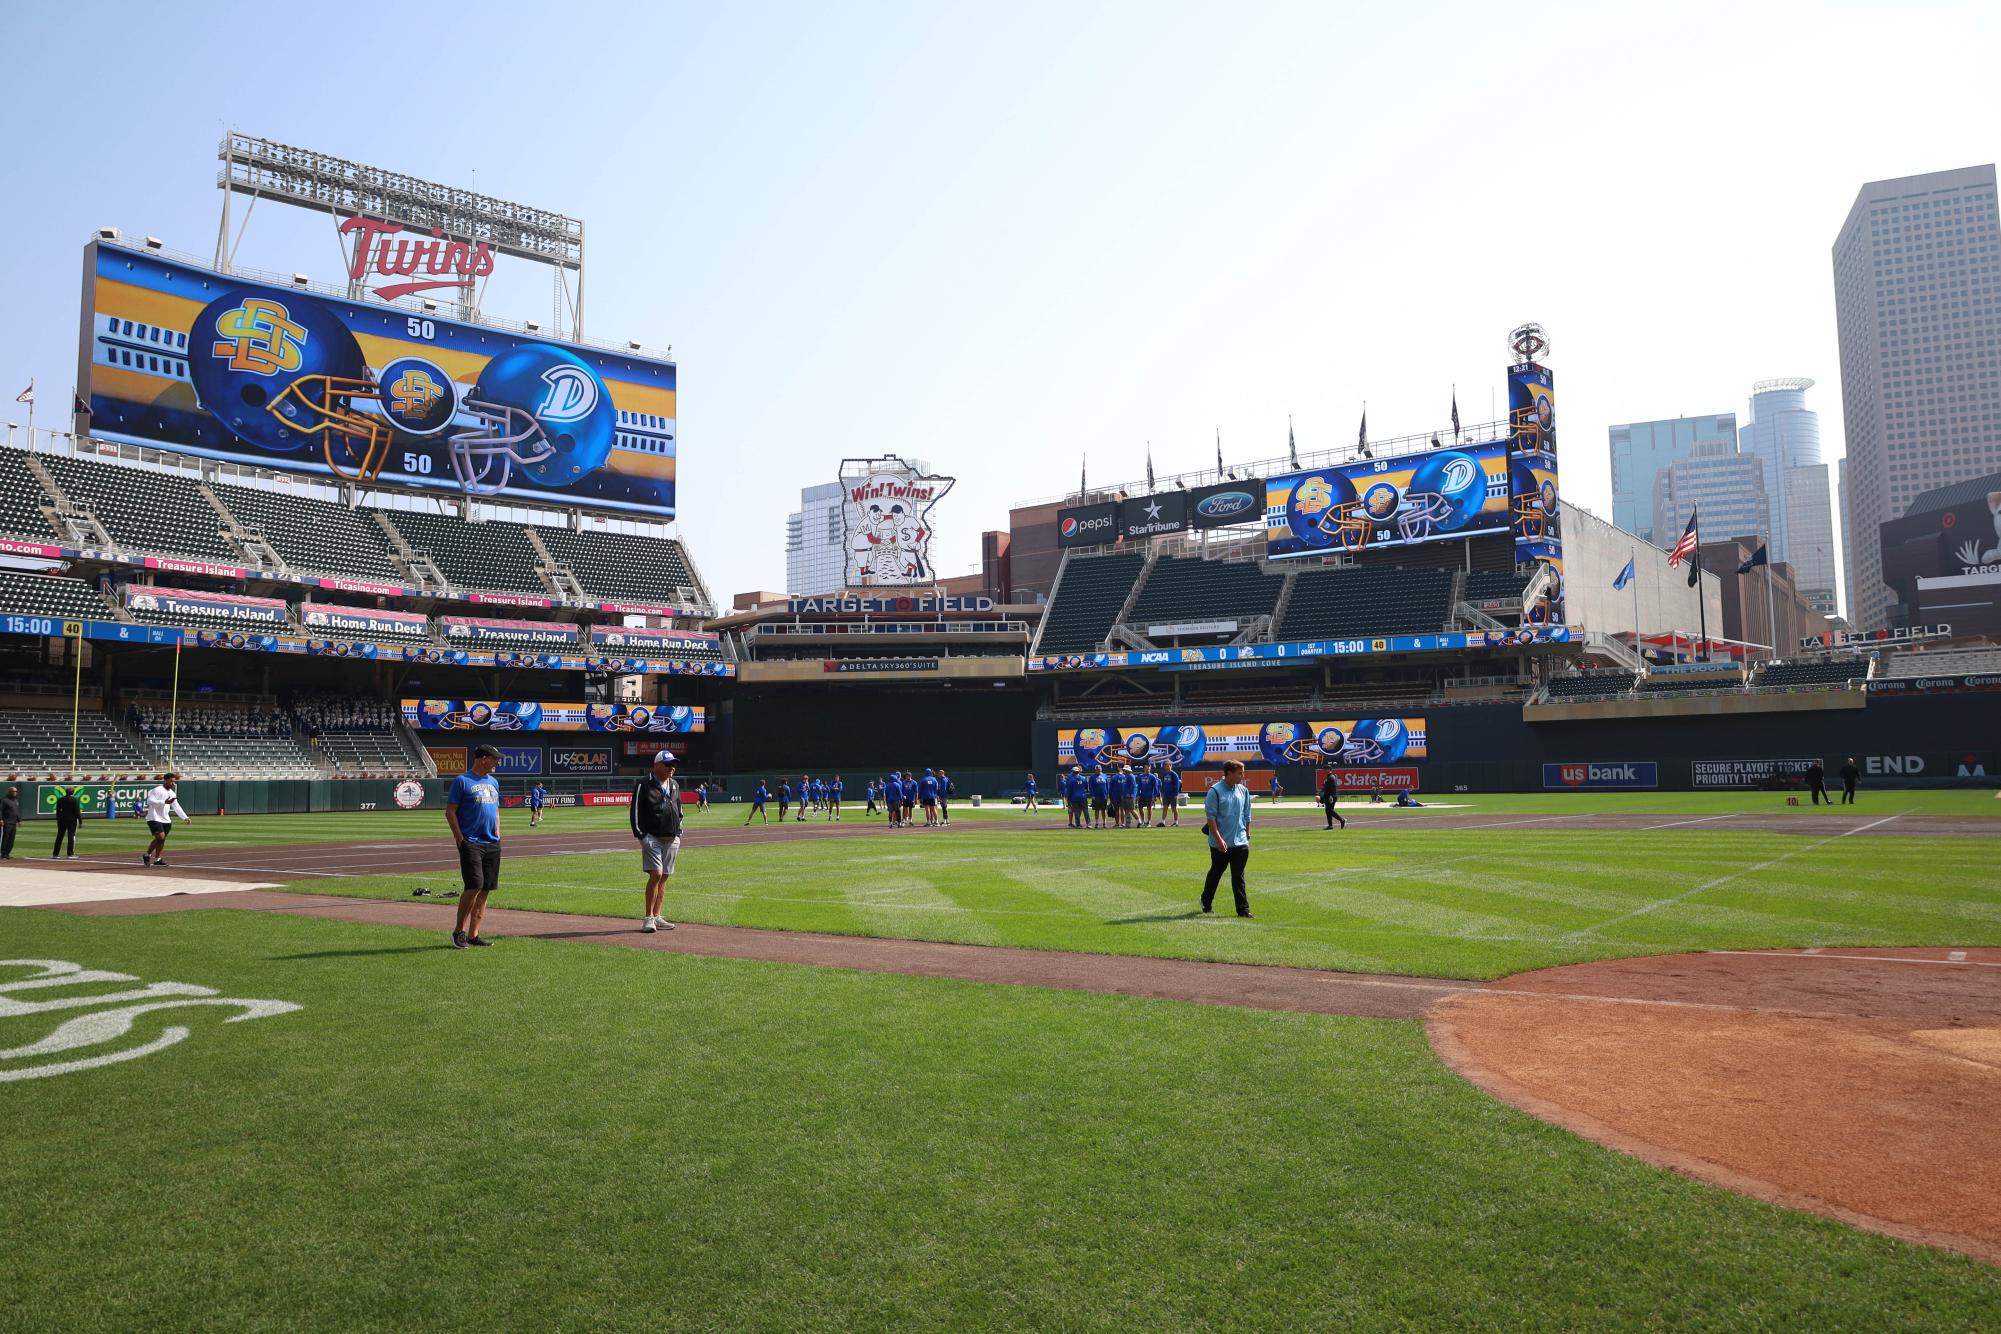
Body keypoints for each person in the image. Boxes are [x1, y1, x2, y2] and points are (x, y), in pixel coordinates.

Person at [445, 745, 504, 949]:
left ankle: (474, 935)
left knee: (486, 888)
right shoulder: (462, 781)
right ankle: (458, 932)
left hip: (491, 843)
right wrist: (460, 839)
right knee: (474, 886)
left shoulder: (494, 782)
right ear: (483, 758)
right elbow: (450, 812)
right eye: (495, 759)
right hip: (471, 842)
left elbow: (495, 810)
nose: (498, 762)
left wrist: (498, 833)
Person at [629, 750, 683, 933]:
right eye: (668, 764)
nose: (672, 768)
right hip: (652, 836)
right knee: (656, 874)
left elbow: (679, 809)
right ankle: (648, 918)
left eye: (673, 764)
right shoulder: (643, 784)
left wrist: (679, 831)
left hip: (672, 837)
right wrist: (641, 835)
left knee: (664, 877)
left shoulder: (674, 784)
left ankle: (658, 916)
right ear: (657, 765)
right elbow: (635, 812)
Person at [1201, 760, 1255, 919]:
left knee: (1238, 876)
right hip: (1220, 843)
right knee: (1216, 873)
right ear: (1229, 773)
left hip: (1240, 842)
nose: (1242, 776)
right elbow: (1210, 818)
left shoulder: (1243, 790)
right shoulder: (1215, 791)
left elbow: (1247, 815)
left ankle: (1243, 910)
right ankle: (1206, 901)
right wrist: (1218, 839)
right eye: (1239, 773)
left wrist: (1247, 836)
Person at [141, 774, 192, 868]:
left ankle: (157, 859)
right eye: (171, 781)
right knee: (160, 837)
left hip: (166, 819)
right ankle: (147, 854)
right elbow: (150, 801)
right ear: (165, 780)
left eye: (174, 781)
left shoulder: (172, 793)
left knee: (162, 840)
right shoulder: (157, 790)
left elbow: (176, 806)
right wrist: (164, 802)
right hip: (154, 817)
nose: (173, 783)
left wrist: (185, 817)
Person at [52, 786, 82, 859]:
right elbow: (77, 811)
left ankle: (55, 854)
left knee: (59, 836)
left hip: (61, 820)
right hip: (71, 820)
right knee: (71, 836)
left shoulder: (60, 799)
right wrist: (80, 821)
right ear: (73, 792)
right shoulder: (75, 800)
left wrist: (58, 819)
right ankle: (70, 854)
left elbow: (58, 811)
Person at [0, 785, 19, 860]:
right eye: (14, 791)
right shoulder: (4, 800)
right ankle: (2, 853)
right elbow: (0, 810)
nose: (15, 793)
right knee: (5, 838)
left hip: (13, 823)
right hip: (6, 822)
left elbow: (16, 811)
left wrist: (19, 820)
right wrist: (0, 819)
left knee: (11, 839)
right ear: (9, 792)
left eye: (16, 791)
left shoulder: (15, 801)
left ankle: (7, 853)